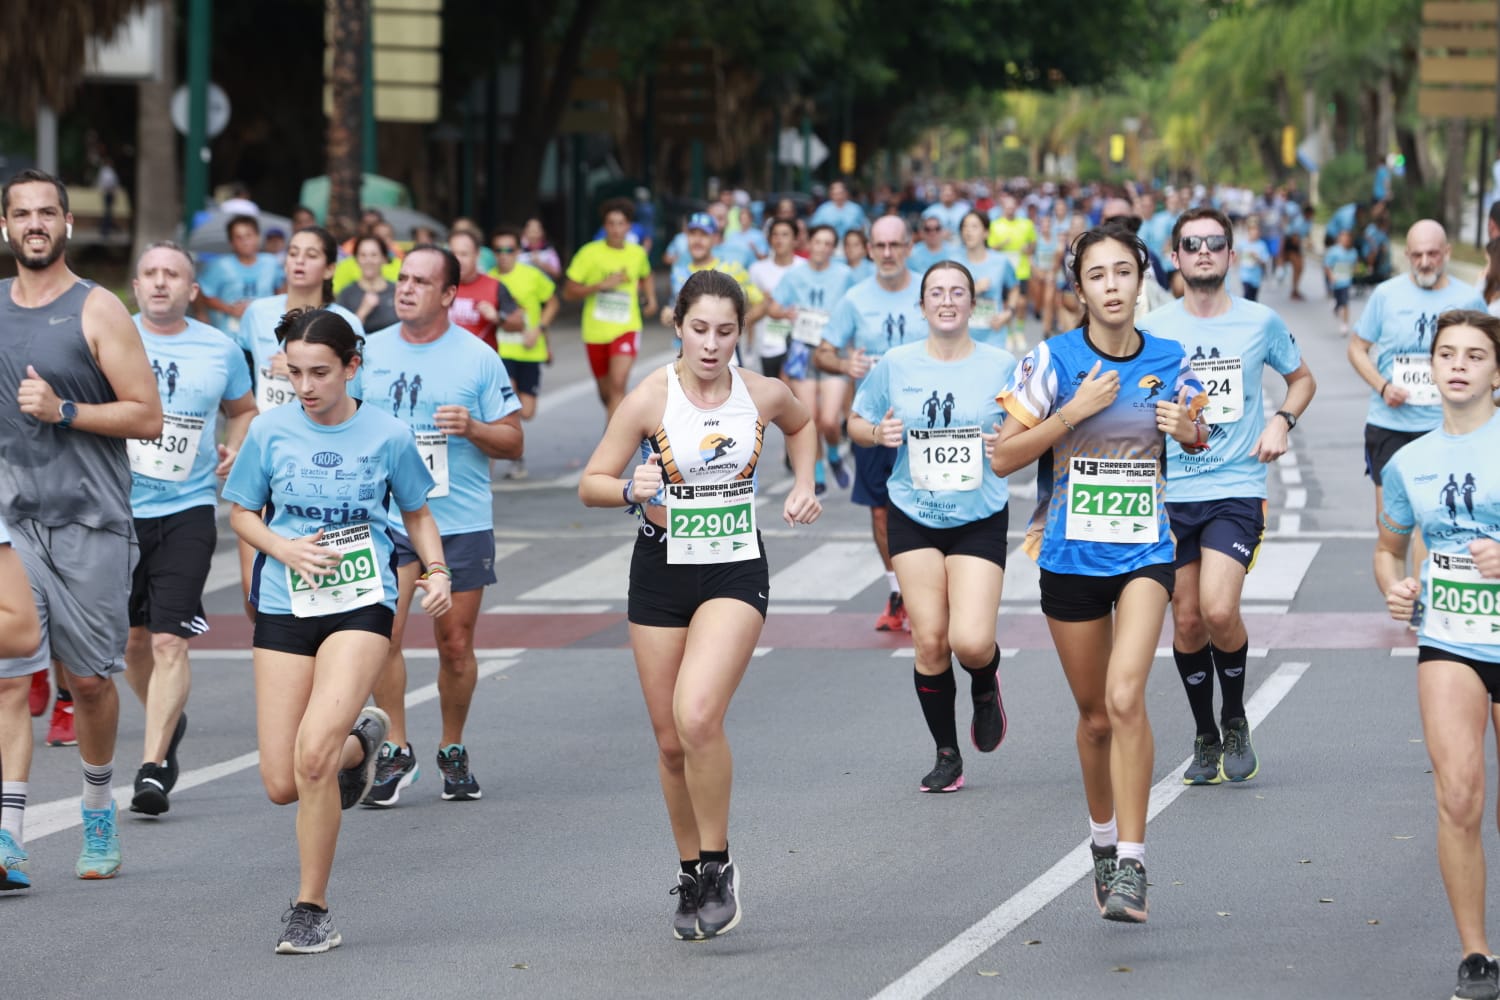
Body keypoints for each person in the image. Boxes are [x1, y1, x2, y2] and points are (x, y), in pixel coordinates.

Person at [578, 269, 822, 941]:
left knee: (697, 714)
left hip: (734, 570)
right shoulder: (648, 399)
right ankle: (689, 871)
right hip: (660, 570)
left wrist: (803, 482)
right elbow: (590, 483)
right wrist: (632, 488)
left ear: (740, 333)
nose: (711, 345)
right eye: (699, 329)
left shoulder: (762, 393)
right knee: (668, 739)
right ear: (677, 326)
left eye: (724, 331)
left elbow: (803, 427)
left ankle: (718, 866)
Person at [991, 223, 1208, 925]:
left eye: (1123, 272)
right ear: (1078, 288)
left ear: (1142, 279)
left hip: (1146, 551)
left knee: (1124, 698)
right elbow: (1001, 457)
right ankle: (1104, 842)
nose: (1112, 287)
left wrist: (1187, 430)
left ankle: (1136, 865)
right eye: (1098, 276)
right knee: (1092, 720)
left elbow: (1202, 431)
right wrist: (1072, 414)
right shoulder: (1052, 360)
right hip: (1068, 555)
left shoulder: (1172, 358)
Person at [224, 307, 451, 953]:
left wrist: (435, 570)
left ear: (352, 367)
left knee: (313, 756)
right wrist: (284, 548)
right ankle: (365, 741)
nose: (306, 385)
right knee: (281, 781)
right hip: (284, 600)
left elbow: (417, 512)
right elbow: (241, 512)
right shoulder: (269, 432)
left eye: (320, 372)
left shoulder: (388, 433)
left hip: (361, 601)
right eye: (294, 372)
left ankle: (310, 908)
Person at [0, 169, 164, 887]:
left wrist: (63, 409)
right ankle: (8, 834)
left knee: (91, 682)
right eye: (21, 214)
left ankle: (97, 805)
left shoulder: (99, 310)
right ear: (4, 227)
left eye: (46, 213)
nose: (34, 224)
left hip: (91, 522)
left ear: (67, 222)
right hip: (12, 522)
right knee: (8, 675)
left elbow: (146, 415)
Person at [1146, 208, 1315, 787]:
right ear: (1174, 258)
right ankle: (1204, 735)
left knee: (1219, 610)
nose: (1203, 252)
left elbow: (1303, 378)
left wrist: (1282, 422)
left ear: (1231, 255)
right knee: (1188, 622)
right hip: (1170, 492)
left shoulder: (1259, 321)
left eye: (1215, 243)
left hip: (1235, 487)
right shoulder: (1155, 326)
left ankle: (1236, 715)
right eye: (1191, 244)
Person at [360, 245, 523, 806]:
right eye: (402, 278)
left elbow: (513, 439)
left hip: (459, 519)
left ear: (449, 295)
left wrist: (473, 428)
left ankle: (451, 747)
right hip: (386, 521)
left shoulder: (477, 358)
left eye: (421, 282)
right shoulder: (368, 352)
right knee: (383, 634)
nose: (405, 289)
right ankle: (397, 749)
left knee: (454, 644)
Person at [848, 261, 1017, 792]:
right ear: (921, 306)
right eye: (937, 293)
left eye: (958, 292)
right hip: (913, 512)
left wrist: (1006, 442)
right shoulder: (895, 364)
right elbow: (854, 421)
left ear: (972, 303)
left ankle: (985, 683)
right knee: (929, 640)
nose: (947, 301)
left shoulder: (1002, 365)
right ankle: (948, 754)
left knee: (969, 641)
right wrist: (878, 433)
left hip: (978, 515)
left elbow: (1033, 426)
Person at [1374, 310, 1500, 1000]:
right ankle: (1476, 954)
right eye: (1447, 353)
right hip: (1451, 638)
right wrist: (1395, 588)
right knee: (1459, 796)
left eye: (1475, 354)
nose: (1458, 364)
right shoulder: (1408, 463)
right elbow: (1388, 547)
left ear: (1496, 372)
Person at [123, 242, 256, 816]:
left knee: (169, 638)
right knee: (132, 643)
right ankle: (166, 715)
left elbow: (244, 408)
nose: (160, 283)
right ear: (135, 286)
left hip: (188, 507)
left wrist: (237, 447)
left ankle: (152, 768)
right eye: (150, 274)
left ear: (192, 290)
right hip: (115, 509)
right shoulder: (109, 335)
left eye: (172, 274)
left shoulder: (219, 347)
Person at [1347, 220, 1486, 580]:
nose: (1425, 262)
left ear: (1447, 254)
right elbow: (1357, 348)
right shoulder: (1386, 295)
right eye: (1418, 255)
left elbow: (1486, 356)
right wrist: (1382, 386)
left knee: (1432, 520)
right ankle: (1401, 592)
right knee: (1393, 527)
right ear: (1406, 255)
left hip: (1444, 426)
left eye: (1433, 254)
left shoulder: (1468, 299)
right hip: (1389, 424)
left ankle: (1426, 600)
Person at [816, 215, 930, 631]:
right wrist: (845, 361)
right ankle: (898, 591)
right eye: (879, 246)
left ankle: (930, 590)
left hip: (928, 422)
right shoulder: (854, 298)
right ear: (868, 249)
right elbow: (822, 353)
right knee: (881, 513)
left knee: (925, 509)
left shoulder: (929, 291)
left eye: (895, 245)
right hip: (873, 423)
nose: (887, 254)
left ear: (908, 247)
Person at [767, 224, 853, 492]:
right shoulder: (795, 275)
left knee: (829, 419)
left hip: (831, 351)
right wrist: (786, 314)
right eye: (818, 242)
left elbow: (856, 306)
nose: (822, 248)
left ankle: (835, 454)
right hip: (802, 351)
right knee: (810, 418)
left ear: (833, 248)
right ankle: (817, 472)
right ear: (810, 243)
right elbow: (773, 308)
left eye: (829, 244)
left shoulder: (844, 275)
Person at [563, 199, 657, 419]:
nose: (616, 229)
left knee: (618, 385)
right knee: (606, 393)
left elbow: (646, 274)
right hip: (595, 332)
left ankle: (613, 444)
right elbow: (568, 292)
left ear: (629, 226)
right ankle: (615, 420)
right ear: (604, 226)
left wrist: (651, 299)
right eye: (611, 223)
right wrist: (600, 286)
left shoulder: (637, 254)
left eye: (621, 223)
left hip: (627, 327)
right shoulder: (589, 253)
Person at [490, 225, 559, 480]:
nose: (504, 254)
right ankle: (514, 454)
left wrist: (539, 330)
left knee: (526, 410)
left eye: (509, 249)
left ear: (518, 251)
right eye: (498, 250)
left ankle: (510, 441)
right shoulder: (489, 279)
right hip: (501, 350)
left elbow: (553, 301)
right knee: (509, 399)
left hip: (530, 350)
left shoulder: (531, 275)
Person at [196, 214, 284, 335]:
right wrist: (229, 309)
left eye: (248, 235)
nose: (245, 241)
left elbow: (281, 292)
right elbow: (204, 294)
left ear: (258, 237)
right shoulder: (220, 265)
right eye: (238, 237)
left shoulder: (271, 263)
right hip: (229, 333)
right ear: (231, 242)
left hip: (264, 330)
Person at [447, 229, 525, 352]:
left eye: (464, 254)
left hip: (480, 365)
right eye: (453, 254)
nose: (458, 260)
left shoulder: (495, 286)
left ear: (477, 255)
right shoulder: (438, 285)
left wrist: (497, 317)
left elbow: (519, 325)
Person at [748, 217, 804, 380]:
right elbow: (750, 313)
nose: (779, 239)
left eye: (785, 235)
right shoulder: (757, 269)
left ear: (795, 239)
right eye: (775, 235)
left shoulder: (805, 268)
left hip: (801, 341)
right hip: (768, 343)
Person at [956, 210, 1017, 347]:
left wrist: (1009, 312)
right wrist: (974, 289)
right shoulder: (954, 262)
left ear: (986, 232)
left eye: (974, 226)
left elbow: (1014, 288)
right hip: (961, 337)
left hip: (994, 336)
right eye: (965, 227)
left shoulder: (1001, 261)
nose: (968, 231)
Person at [335, 234, 399, 333]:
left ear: (384, 258)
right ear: (356, 259)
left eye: (374, 255)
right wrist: (363, 311)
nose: (368, 260)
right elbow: (340, 335)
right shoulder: (346, 294)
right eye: (363, 255)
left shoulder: (397, 291)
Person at [1324, 228, 1359, 335]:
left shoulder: (1353, 252)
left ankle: (1344, 324)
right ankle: (1336, 307)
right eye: (1344, 237)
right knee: (1339, 301)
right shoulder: (1334, 251)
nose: (1346, 240)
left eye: (1348, 238)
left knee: (1345, 302)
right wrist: (1331, 276)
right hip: (1336, 282)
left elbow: (1355, 265)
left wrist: (1356, 270)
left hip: (1346, 282)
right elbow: (1327, 265)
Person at [1237, 217, 1272, 303]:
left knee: (1253, 298)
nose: (1254, 233)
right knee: (1247, 295)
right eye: (1252, 231)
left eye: (1256, 231)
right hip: (1245, 275)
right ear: (1248, 232)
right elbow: (1237, 256)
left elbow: (1265, 260)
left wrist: (1257, 257)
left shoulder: (1261, 245)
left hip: (1256, 277)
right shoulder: (1242, 244)